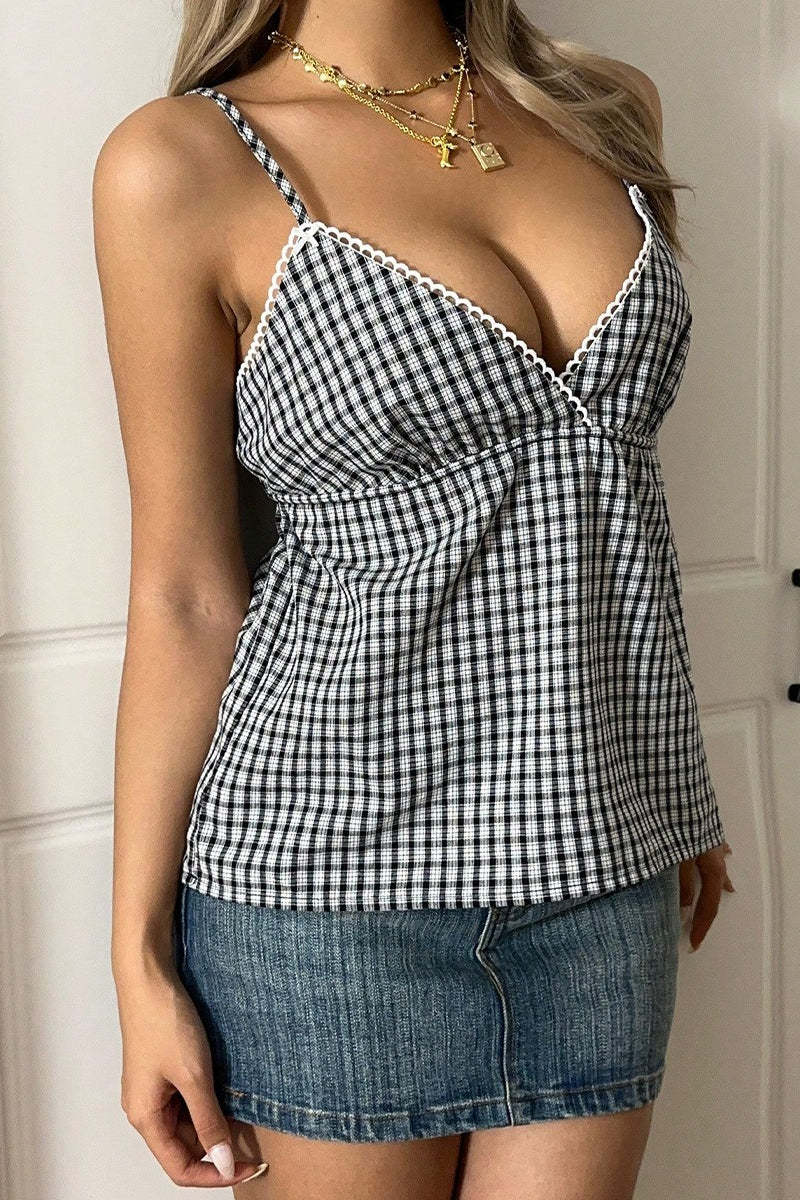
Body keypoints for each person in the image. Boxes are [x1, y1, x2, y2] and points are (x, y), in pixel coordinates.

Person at [92, 1, 735, 1196]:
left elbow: (606, 512)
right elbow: (184, 590)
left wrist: (669, 784)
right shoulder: (183, 160)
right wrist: (139, 964)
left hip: (601, 870)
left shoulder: (606, 111)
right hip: (324, 897)